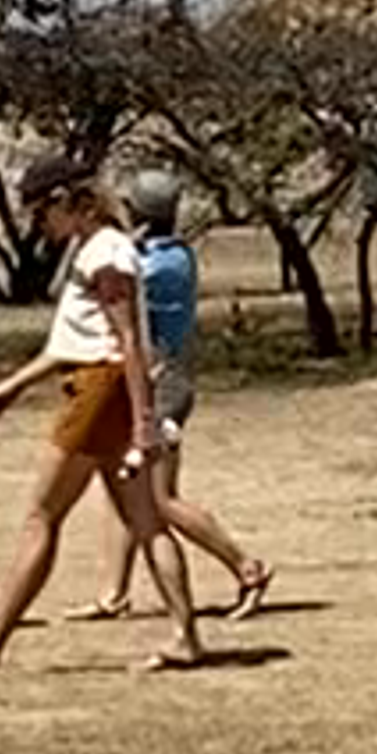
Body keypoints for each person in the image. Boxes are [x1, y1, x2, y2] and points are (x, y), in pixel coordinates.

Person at [0, 153, 211, 677]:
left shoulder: (105, 253)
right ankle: (186, 637)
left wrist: (143, 420)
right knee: (146, 520)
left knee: (42, 515)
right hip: (103, 385)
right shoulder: (101, 249)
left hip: (99, 391)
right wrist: (15, 385)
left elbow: (127, 341)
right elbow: (73, 343)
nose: (39, 225)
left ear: (64, 202)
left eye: (41, 213)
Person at [83, 177, 273, 625]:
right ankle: (114, 594)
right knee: (125, 486)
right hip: (151, 382)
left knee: (161, 499)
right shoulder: (168, 252)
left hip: (164, 388)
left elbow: (110, 287)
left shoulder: (161, 264)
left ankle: (248, 568)